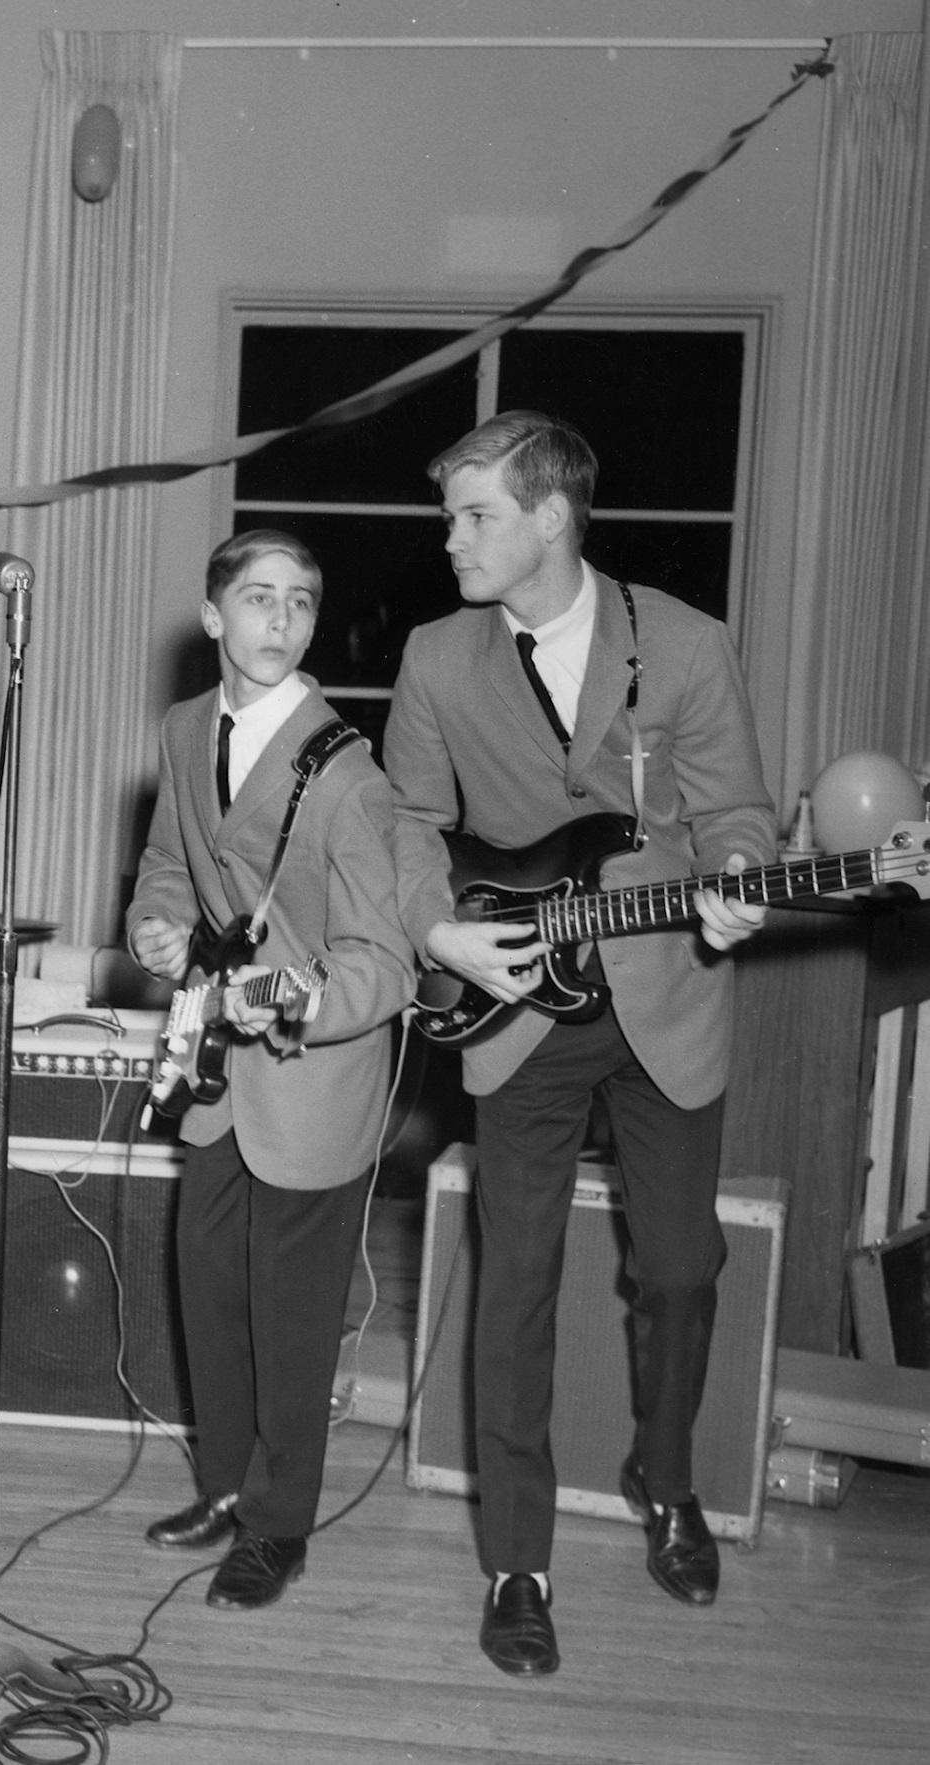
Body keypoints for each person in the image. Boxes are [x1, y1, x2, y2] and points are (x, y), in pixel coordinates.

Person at [381, 411, 773, 1678]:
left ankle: (668, 1478)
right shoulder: (437, 658)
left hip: (666, 998)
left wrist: (739, 882)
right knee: (516, 1284)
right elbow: (406, 828)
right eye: (451, 516)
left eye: (475, 515)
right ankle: (519, 1561)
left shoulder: (687, 642)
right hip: (517, 1012)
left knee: (682, 1269)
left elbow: (738, 813)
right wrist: (439, 932)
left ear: (551, 518)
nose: (452, 539)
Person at [126, 531, 412, 1611]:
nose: (279, 619)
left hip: (313, 1079)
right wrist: (156, 925)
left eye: (299, 601)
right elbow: (167, 863)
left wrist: (287, 995)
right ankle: (226, 1486)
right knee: (208, 1289)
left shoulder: (349, 776)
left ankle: (278, 1526)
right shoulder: (184, 727)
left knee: (291, 1319)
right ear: (213, 615)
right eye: (258, 597)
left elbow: (384, 964)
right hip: (215, 1080)